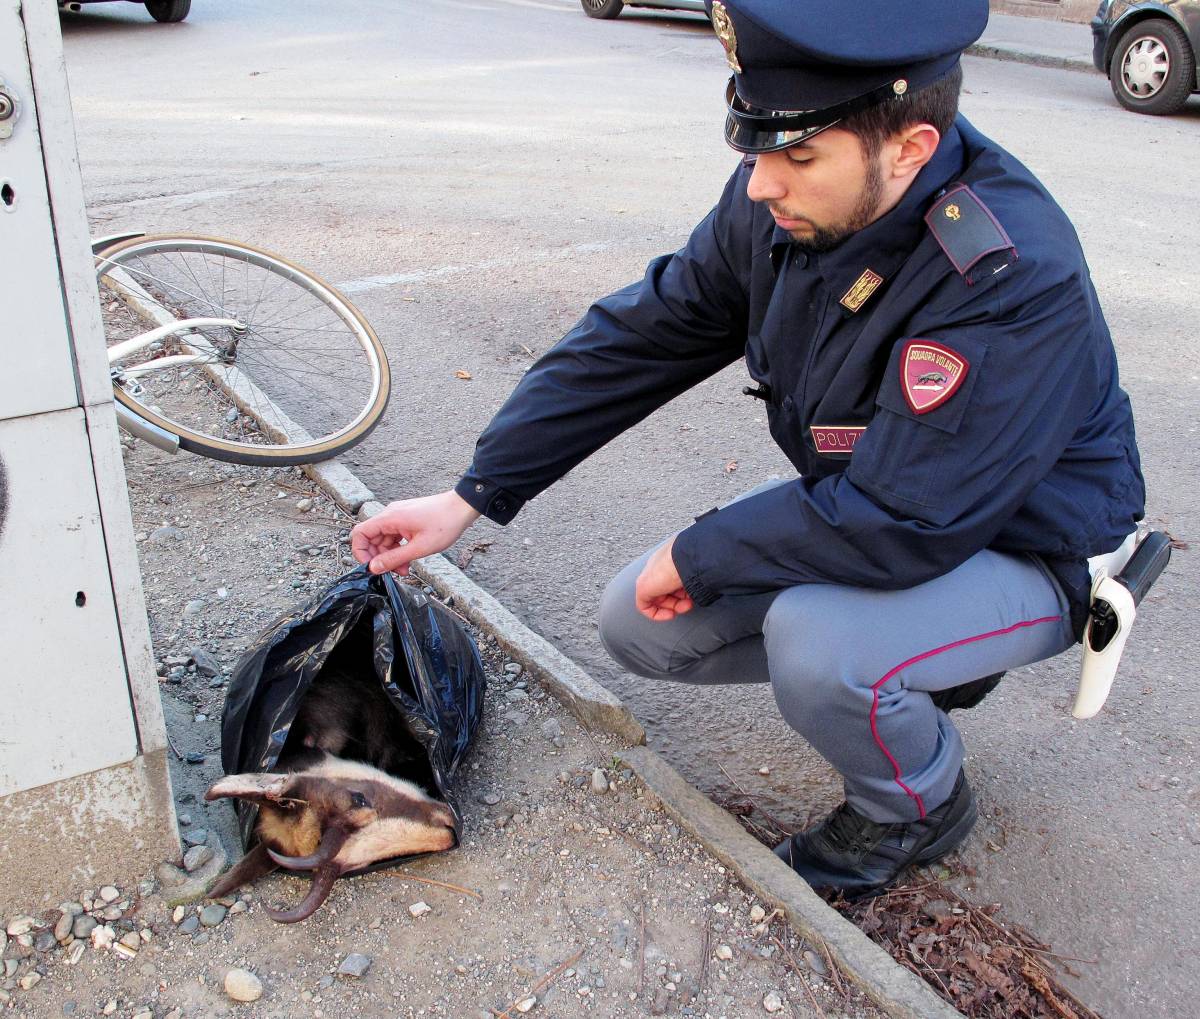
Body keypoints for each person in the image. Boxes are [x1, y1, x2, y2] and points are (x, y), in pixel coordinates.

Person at [351, 0, 1145, 895]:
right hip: (879, 492)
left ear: (910, 150)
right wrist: (473, 493)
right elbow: (646, 333)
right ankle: (911, 665)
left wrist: (703, 551)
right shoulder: (788, 200)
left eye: (798, 156)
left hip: (1028, 536)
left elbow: (907, 517)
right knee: (640, 626)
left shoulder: (1005, 273)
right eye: (758, 148)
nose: (762, 182)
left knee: (822, 645)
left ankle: (917, 805)